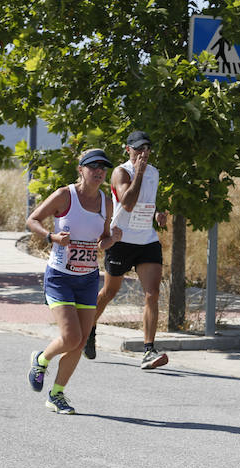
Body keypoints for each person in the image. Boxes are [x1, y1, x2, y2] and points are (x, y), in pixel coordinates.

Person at [26, 148, 122, 414]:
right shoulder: (64, 195)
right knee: (71, 337)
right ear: (81, 169)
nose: (99, 172)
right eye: (93, 167)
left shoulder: (106, 201)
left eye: (103, 168)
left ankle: (56, 394)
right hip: (60, 276)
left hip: (88, 277)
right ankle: (41, 359)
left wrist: (111, 240)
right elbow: (32, 220)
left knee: (80, 342)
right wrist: (51, 237)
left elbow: (103, 237)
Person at [83, 130, 169, 369]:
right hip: (120, 240)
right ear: (127, 149)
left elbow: (145, 203)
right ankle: (89, 329)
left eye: (147, 148)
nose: (143, 153)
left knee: (152, 293)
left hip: (147, 240)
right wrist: (138, 173)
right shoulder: (121, 172)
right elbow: (128, 203)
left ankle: (149, 350)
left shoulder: (154, 173)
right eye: (138, 148)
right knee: (110, 292)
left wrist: (157, 214)